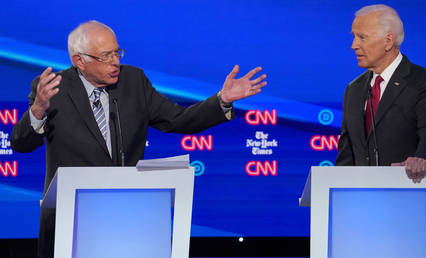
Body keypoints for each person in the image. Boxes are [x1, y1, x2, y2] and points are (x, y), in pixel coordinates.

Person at [10, 20, 267, 258]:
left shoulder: (133, 81)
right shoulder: (53, 88)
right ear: (80, 60)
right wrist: (38, 110)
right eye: (105, 56)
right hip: (72, 221)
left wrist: (222, 99)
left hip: (129, 216)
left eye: (117, 53)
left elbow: (179, 120)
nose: (115, 63)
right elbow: (21, 144)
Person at [336, 4, 426, 183]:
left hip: (407, 195)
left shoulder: (422, 82)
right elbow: (346, 155)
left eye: (362, 37)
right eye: (354, 37)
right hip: (359, 202)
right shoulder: (354, 89)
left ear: (388, 41)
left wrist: (422, 158)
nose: (353, 45)